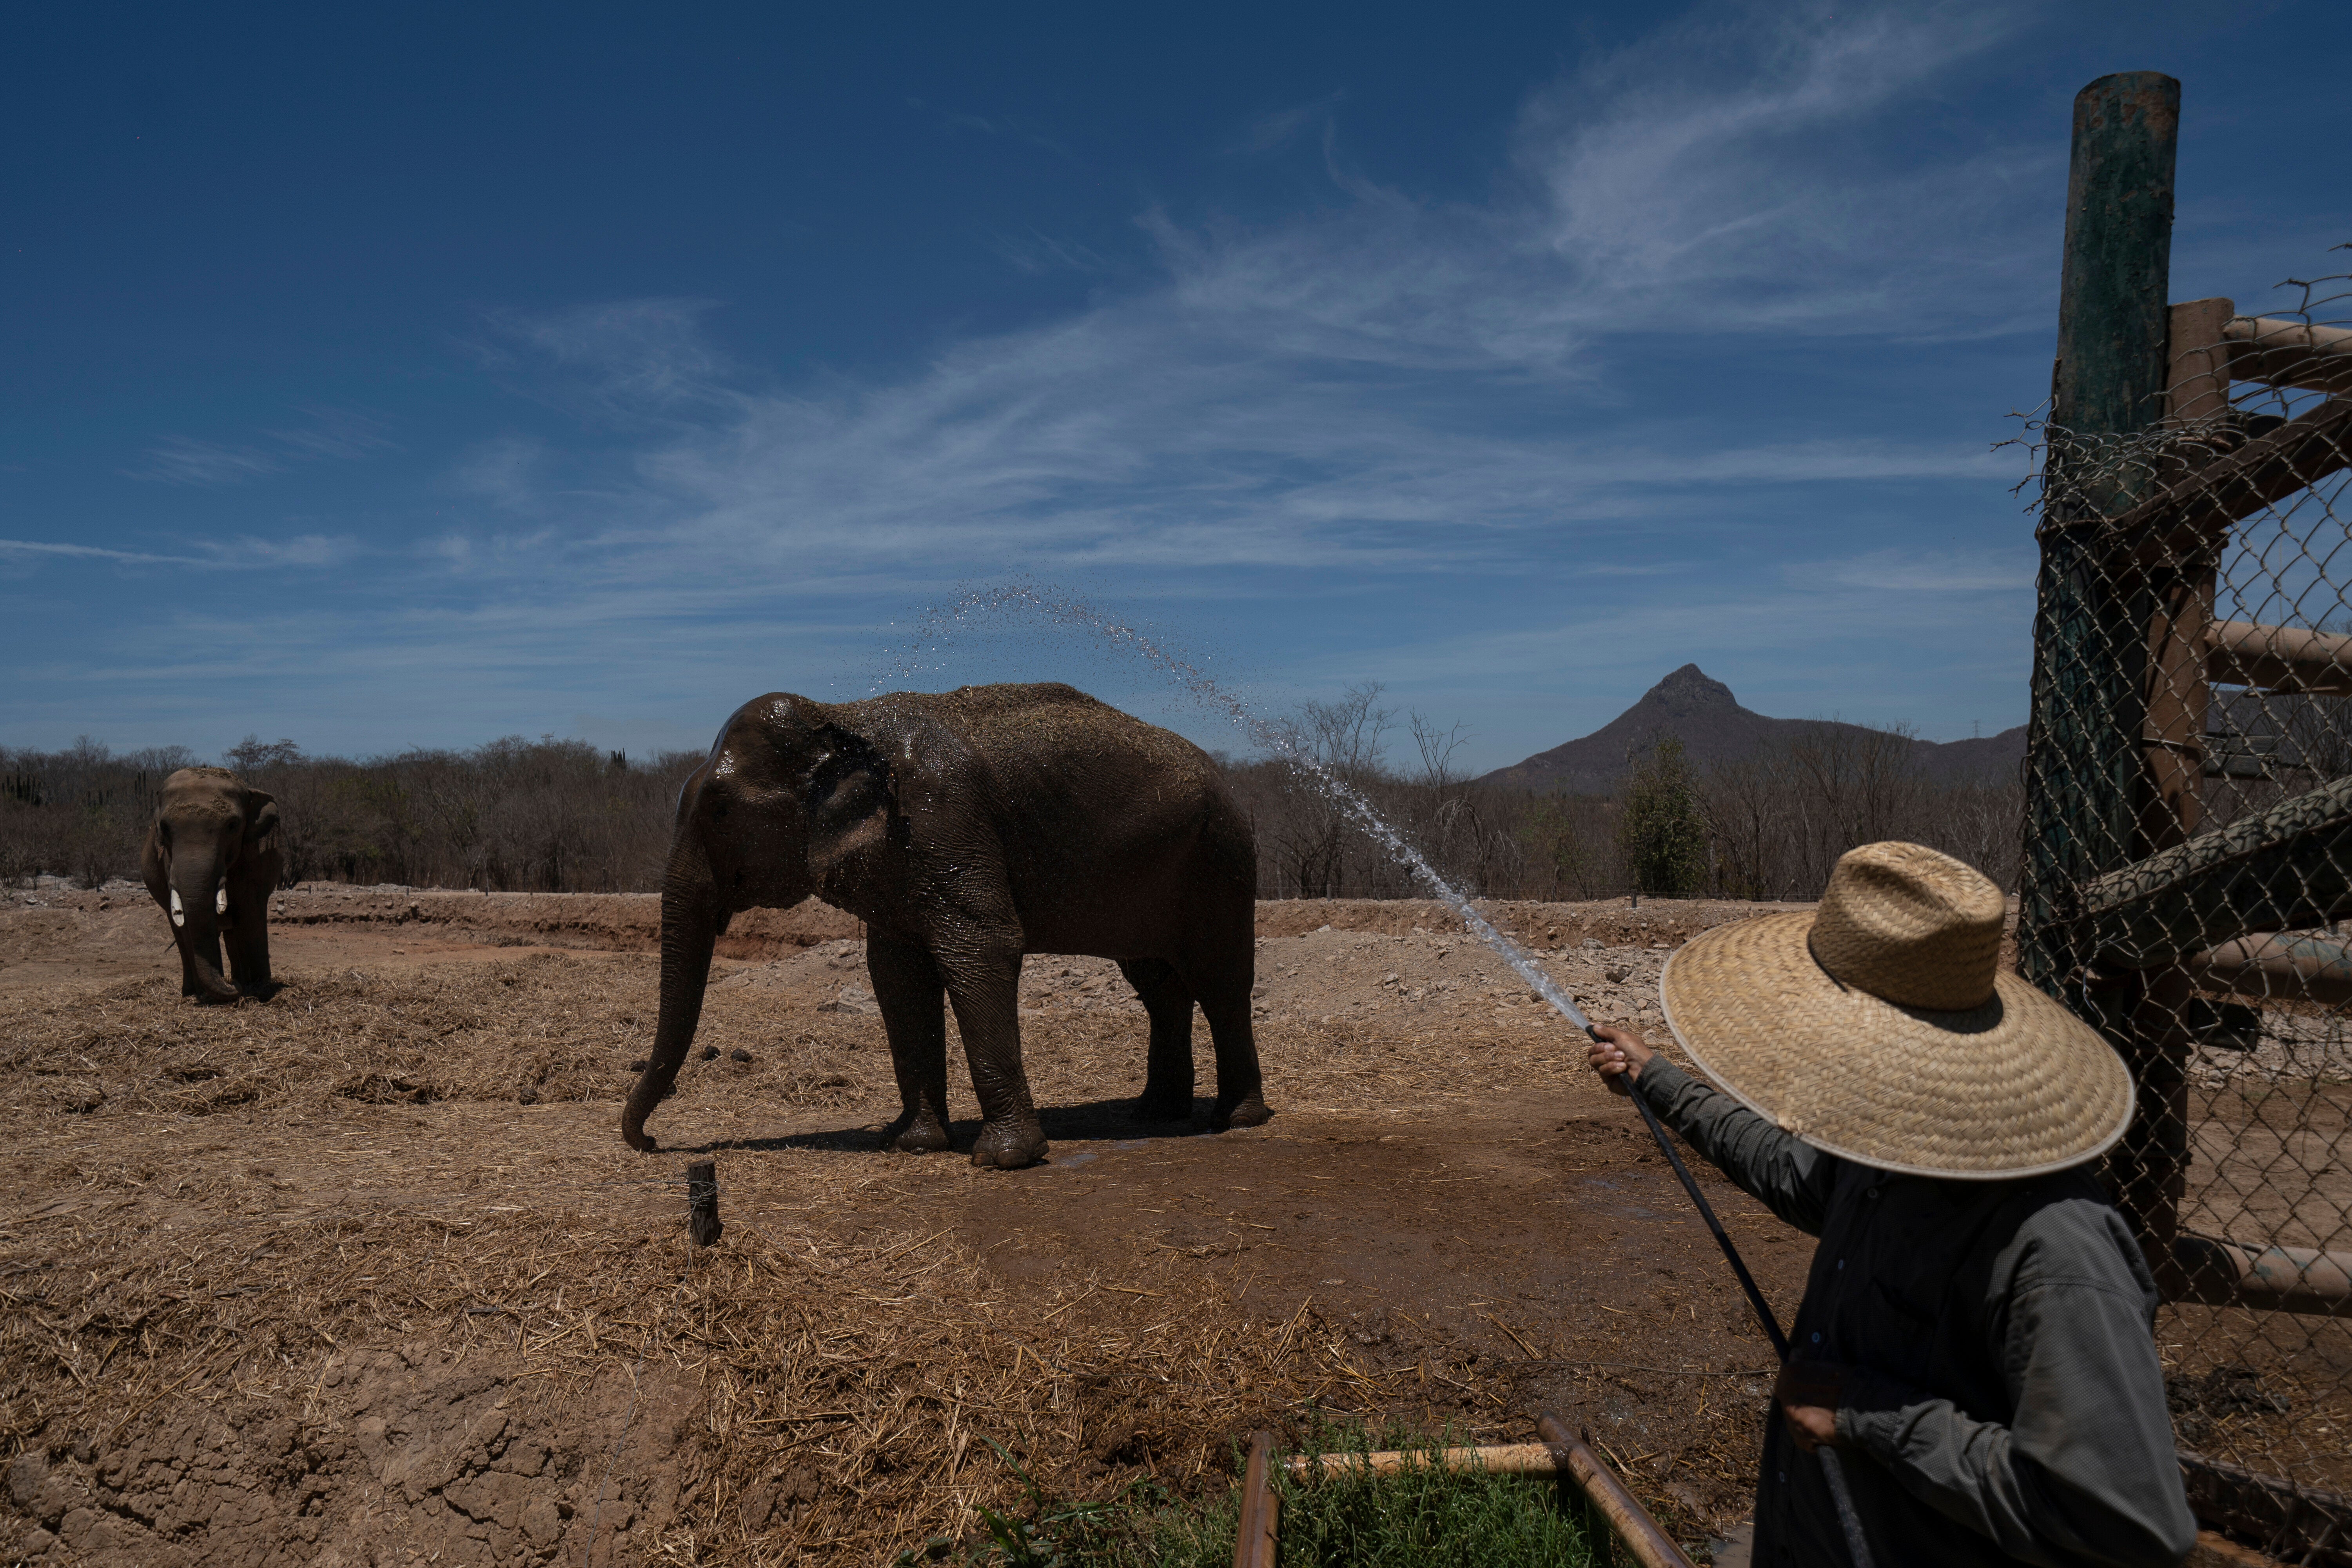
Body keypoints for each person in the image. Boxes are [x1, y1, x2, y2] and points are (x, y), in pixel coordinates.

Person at [1584, 840, 2197, 1567]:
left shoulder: (2057, 1248)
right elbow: (1788, 1170)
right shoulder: (1888, 1155)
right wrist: (1658, 1080)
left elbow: (2129, 1523)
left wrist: (1872, 1417)